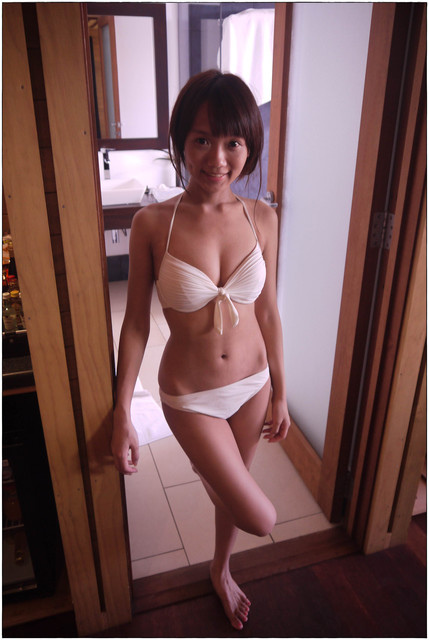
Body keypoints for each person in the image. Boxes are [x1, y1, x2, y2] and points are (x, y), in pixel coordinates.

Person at [111, 69, 291, 631]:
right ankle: (209, 469)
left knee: (230, 498)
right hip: (191, 396)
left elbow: (267, 311)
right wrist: (122, 411)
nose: (218, 157)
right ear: (181, 143)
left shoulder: (263, 218)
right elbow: (134, 325)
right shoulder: (151, 223)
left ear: (249, 145)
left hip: (253, 386)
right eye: (202, 139)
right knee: (260, 515)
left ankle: (221, 567)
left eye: (233, 141)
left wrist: (280, 391)